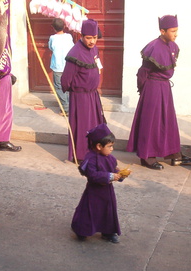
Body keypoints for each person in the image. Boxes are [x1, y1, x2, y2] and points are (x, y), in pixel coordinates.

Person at [127, 15, 191, 170]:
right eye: (173, 31)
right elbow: (143, 72)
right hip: (152, 88)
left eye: (177, 30)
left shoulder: (173, 46)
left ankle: (173, 154)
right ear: (162, 31)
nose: (176, 34)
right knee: (151, 122)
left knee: (168, 121)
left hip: (165, 88)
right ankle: (147, 156)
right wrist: (144, 91)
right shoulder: (153, 47)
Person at [71, 123, 130, 244]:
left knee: (108, 211)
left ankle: (108, 232)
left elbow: (114, 169)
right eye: (109, 146)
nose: (112, 149)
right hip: (93, 192)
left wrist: (121, 174)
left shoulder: (110, 158)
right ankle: (82, 230)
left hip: (107, 191)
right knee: (89, 211)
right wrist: (110, 176)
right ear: (98, 146)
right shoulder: (90, 159)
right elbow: (92, 175)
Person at [61, 19, 104, 162]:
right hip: (80, 97)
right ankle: (81, 155)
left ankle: (93, 151)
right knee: (83, 126)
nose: (92, 41)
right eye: (88, 38)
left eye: (95, 38)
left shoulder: (94, 48)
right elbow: (66, 78)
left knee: (94, 125)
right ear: (82, 36)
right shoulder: (75, 53)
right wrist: (73, 91)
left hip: (92, 95)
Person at [48, 18, 74, 115]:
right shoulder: (69, 36)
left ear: (53, 28)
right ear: (64, 26)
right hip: (69, 66)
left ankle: (66, 108)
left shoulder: (52, 38)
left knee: (59, 87)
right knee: (68, 86)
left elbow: (50, 47)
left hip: (58, 67)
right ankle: (70, 106)